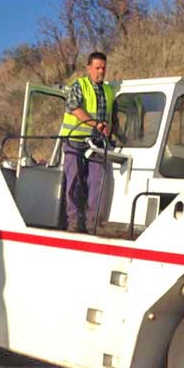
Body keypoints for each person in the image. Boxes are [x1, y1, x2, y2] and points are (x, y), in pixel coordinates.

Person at [58, 52, 117, 233]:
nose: (101, 71)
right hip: (75, 140)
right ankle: (74, 222)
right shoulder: (79, 85)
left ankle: (94, 225)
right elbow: (75, 108)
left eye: (104, 68)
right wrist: (95, 124)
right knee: (74, 180)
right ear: (89, 68)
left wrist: (110, 134)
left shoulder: (109, 91)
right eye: (98, 67)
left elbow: (112, 117)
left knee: (97, 181)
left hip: (97, 143)